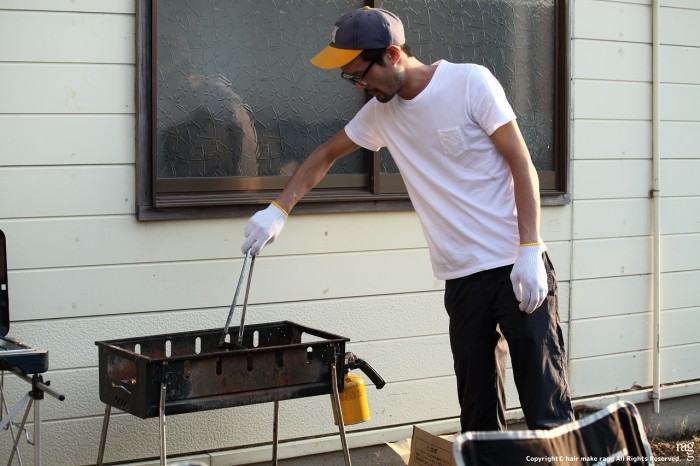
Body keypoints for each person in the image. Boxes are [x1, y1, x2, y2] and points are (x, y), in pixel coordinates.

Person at [241, 7, 574, 432]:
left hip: (516, 265)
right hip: (462, 277)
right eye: (350, 79)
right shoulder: (381, 113)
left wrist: (529, 247)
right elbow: (325, 155)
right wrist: (279, 209)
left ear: (393, 54)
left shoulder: (469, 83)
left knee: (546, 409)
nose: (359, 86)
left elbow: (521, 163)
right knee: (478, 417)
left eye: (361, 75)